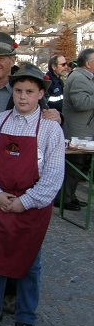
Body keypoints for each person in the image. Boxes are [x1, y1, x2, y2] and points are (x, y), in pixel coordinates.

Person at [0, 32, 64, 306]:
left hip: (27, 200)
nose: (22, 97)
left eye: (29, 92)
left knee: (26, 255)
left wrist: (26, 201)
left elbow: (53, 172)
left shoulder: (39, 113)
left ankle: (20, 305)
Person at [57, 48, 94, 211]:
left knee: (77, 166)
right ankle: (63, 198)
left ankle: (70, 195)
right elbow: (81, 103)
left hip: (83, 129)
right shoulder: (79, 78)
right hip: (77, 131)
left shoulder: (85, 77)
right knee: (73, 165)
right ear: (88, 63)